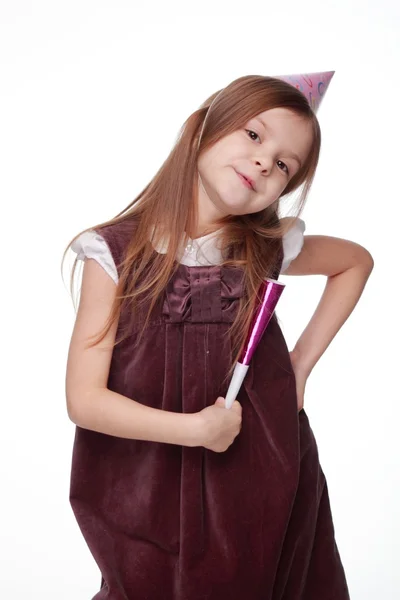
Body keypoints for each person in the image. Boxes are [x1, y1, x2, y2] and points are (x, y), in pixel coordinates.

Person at [64, 73, 373, 599]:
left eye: (283, 165)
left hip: (262, 469)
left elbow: (355, 262)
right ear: (201, 129)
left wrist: (298, 366)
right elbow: (84, 400)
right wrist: (195, 431)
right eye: (255, 136)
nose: (263, 162)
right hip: (150, 474)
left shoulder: (268, 248)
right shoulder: (115, 254)